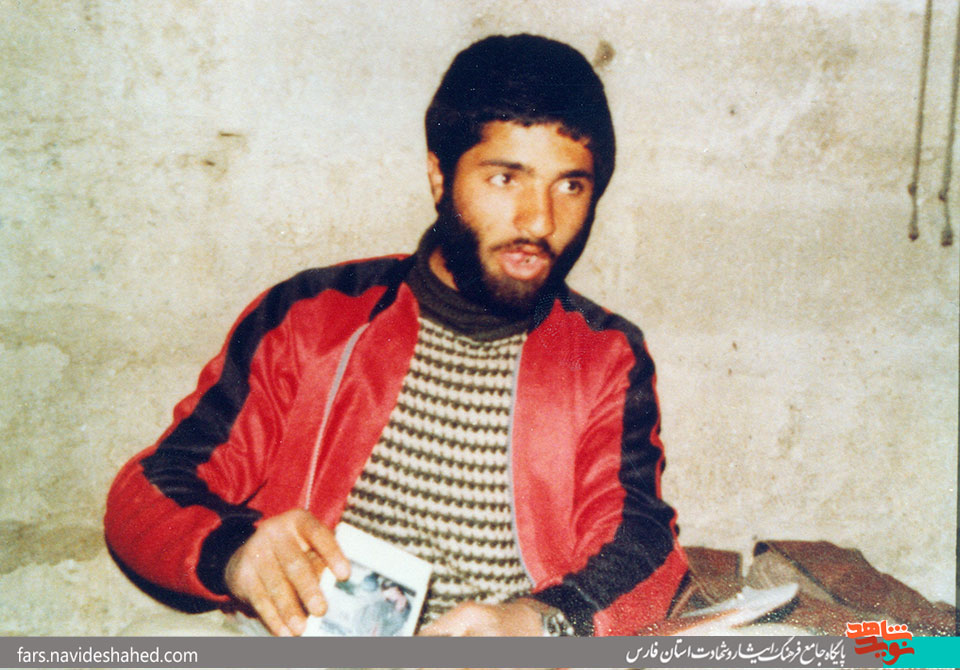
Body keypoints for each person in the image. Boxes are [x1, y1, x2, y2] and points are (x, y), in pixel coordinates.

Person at [105, 33, 688, 638]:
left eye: (570, 186)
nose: (539, 220)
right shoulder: (316, 315)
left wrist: (539, 623)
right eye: (505, 179)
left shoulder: (603, 357)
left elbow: (644, 547)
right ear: (440, 176)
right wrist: (236, 553)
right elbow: (151, 489)